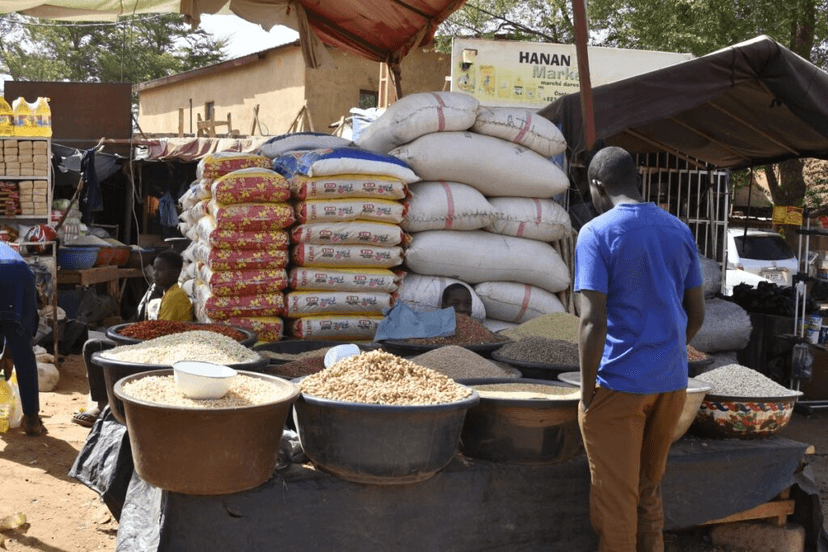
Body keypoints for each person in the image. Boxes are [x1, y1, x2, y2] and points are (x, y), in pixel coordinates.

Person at [574, 147, 705, 552]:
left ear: (598, 186)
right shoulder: (678, 230)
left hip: (620, 386)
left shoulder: (596, 233)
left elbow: (592, 321)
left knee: (616, 503)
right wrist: (666, 351)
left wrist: (586, 393)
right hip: (670, 383)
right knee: (648, 490)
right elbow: (696, 313)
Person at [71, 249, 192, 427]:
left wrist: (130, 339)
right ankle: (102, 402)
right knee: (95, 345)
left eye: (161, 270)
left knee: (93, 347)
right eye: (155, 269)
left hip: (161, 351)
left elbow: (161, 334)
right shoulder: (166, 294)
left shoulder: (175, 297)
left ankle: (103, 405)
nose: (155, 274)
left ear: (175, 273)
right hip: (156, 345)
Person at [0, 242, 47, 436]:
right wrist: (10, 352)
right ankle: (31, 420)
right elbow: (21, 323)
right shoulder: (9, 251)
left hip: (16, 275)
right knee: (24, 352)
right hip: (19, 276)